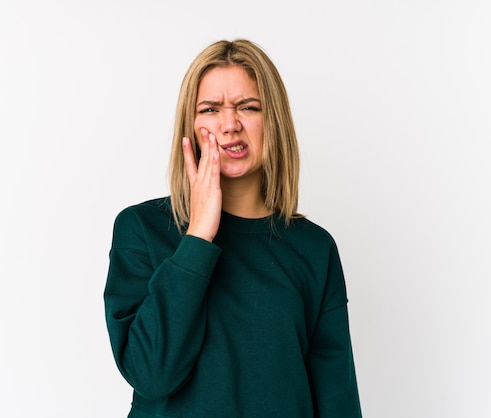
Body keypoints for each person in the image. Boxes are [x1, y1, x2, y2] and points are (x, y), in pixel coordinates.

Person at [104, 39, 362, 418]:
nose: (229, 125)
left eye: (248, 107)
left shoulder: (314, 248)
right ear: (190, 126)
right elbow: (151, 375)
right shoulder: (141, 229)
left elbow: (336, 398)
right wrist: (197, 238)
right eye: (210, 109)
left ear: (272, 121)